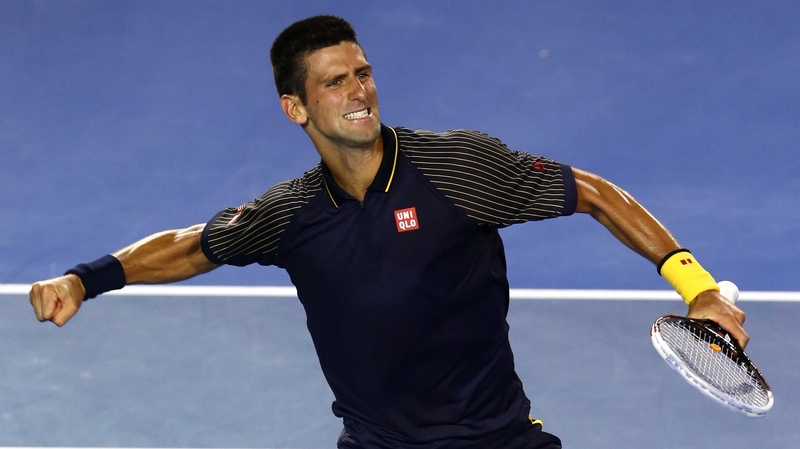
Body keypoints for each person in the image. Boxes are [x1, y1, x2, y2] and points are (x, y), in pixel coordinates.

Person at [29, 15, 748, 449]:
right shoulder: (290, 216)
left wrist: (698, 286)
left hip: (496, 439)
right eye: (336, 81)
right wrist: (83, 279)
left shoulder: (458, 166)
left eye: (364, 73)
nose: (360, 90)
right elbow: (194, 243)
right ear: (295, 108)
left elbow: (591, 192)